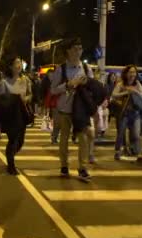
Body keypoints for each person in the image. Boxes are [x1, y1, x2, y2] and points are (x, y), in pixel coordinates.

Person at [50, 38, 96, 181]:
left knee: (83, 139)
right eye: (75, 48)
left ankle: (82, 168)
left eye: (80, 48)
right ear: (68, 51)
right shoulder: (61, 69)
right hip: (64, 109)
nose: (78, 51)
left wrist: (86, 84)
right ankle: (64, 165)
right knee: (63, 140)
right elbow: (53, 90)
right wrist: (68, 85)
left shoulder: (87, 69)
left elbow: (92, 88)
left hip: (81, 111)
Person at [0, 56, 32, 175]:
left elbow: (30, 95)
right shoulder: (4, 82)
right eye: (16, 63)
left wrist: (25, 99)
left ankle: (9, 155)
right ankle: (11, 165)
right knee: (13, 140)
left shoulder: (25, 80)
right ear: (10, 66)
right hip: (10, 115)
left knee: (20, 141)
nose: (19, 65)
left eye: (20, 62)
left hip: (22, 113)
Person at [111, 65, 142, 162]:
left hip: (136, 113)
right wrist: (126, 92)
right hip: (124, 113)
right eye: (130, 72)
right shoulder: (121, 84)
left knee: (136, 134)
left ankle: (138, 153)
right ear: (126, 74)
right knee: (121, 133)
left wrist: (135, 91)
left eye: (134, 72)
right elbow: (114, 95)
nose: (132, 74)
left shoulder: (138, 84)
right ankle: (118, 151)